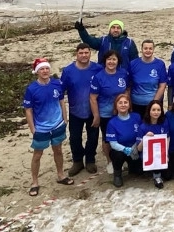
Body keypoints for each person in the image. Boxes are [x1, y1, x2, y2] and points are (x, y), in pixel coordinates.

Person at [22, 58, 72, 196]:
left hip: (57, 124)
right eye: (41, 69)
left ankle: (61, 175)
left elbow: (62, 102)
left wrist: (65, 119)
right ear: (37, 72)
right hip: (41, 127)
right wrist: (33, 128)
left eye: (46, 68)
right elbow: (28, 110)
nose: (45, 71)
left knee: (58, 150)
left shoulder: (57, 84)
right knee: (37, 154)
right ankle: (35, 182)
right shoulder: (32, 89)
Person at [60, 44, 102, 177]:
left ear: (90, 53)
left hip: (93, 110)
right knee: (75, 138)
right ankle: (77, 161)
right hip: (75, 111)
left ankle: (90, 159)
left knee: (93, 137)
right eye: (81, 53)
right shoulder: (68, 71)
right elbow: (61, 91)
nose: (84, 55)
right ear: (76, 54)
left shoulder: (97, 68)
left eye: (86, 53)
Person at [89, 50, 129, 173]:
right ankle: (110, 162)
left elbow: (127, 89)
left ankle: (123, 159)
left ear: (118, 62)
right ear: (105, 61)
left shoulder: (123, 73)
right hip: (105, 114)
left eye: (114, 59)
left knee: (122, 135)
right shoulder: (99, 77)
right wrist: (96, 115)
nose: (111, 62)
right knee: (108, 139)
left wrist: (125, 104)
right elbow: (93, 98)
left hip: (121, 112)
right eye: (109, 59)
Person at [105, 94, 142, 188]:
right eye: (120, 103)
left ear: (129, 105)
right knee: (117, 155)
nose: (123, 105)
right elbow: (113, 143)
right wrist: (126, 149)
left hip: (135, 150)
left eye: (125, 102)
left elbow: (141, 134)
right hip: (121, 151)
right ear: (116, 105)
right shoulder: (112, 122)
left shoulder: (136, 117)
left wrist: (136, 147)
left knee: (138, 171)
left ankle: (132, 166)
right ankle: (117, 174)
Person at [128, 39, 166, 118]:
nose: (148, 51)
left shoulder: (160, 64)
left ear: (153, 50)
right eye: (145, 48)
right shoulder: (133, 64)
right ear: (141, 49)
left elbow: (162, 85)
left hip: (154, 105)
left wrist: (154, 103)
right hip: (136, 104)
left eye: (150, 48)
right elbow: (129, 85)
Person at [138, 100, 168, 189]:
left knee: (168, 175)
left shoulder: (164, 123)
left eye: (158, 110)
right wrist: (145, 138)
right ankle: (157, 177)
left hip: (161, 152)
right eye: (153, 110)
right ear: (149, 111)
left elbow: (168, 138)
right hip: (147, 155)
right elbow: (139, 149)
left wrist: (166, 154)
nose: (156, 112)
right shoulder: (143, 127)